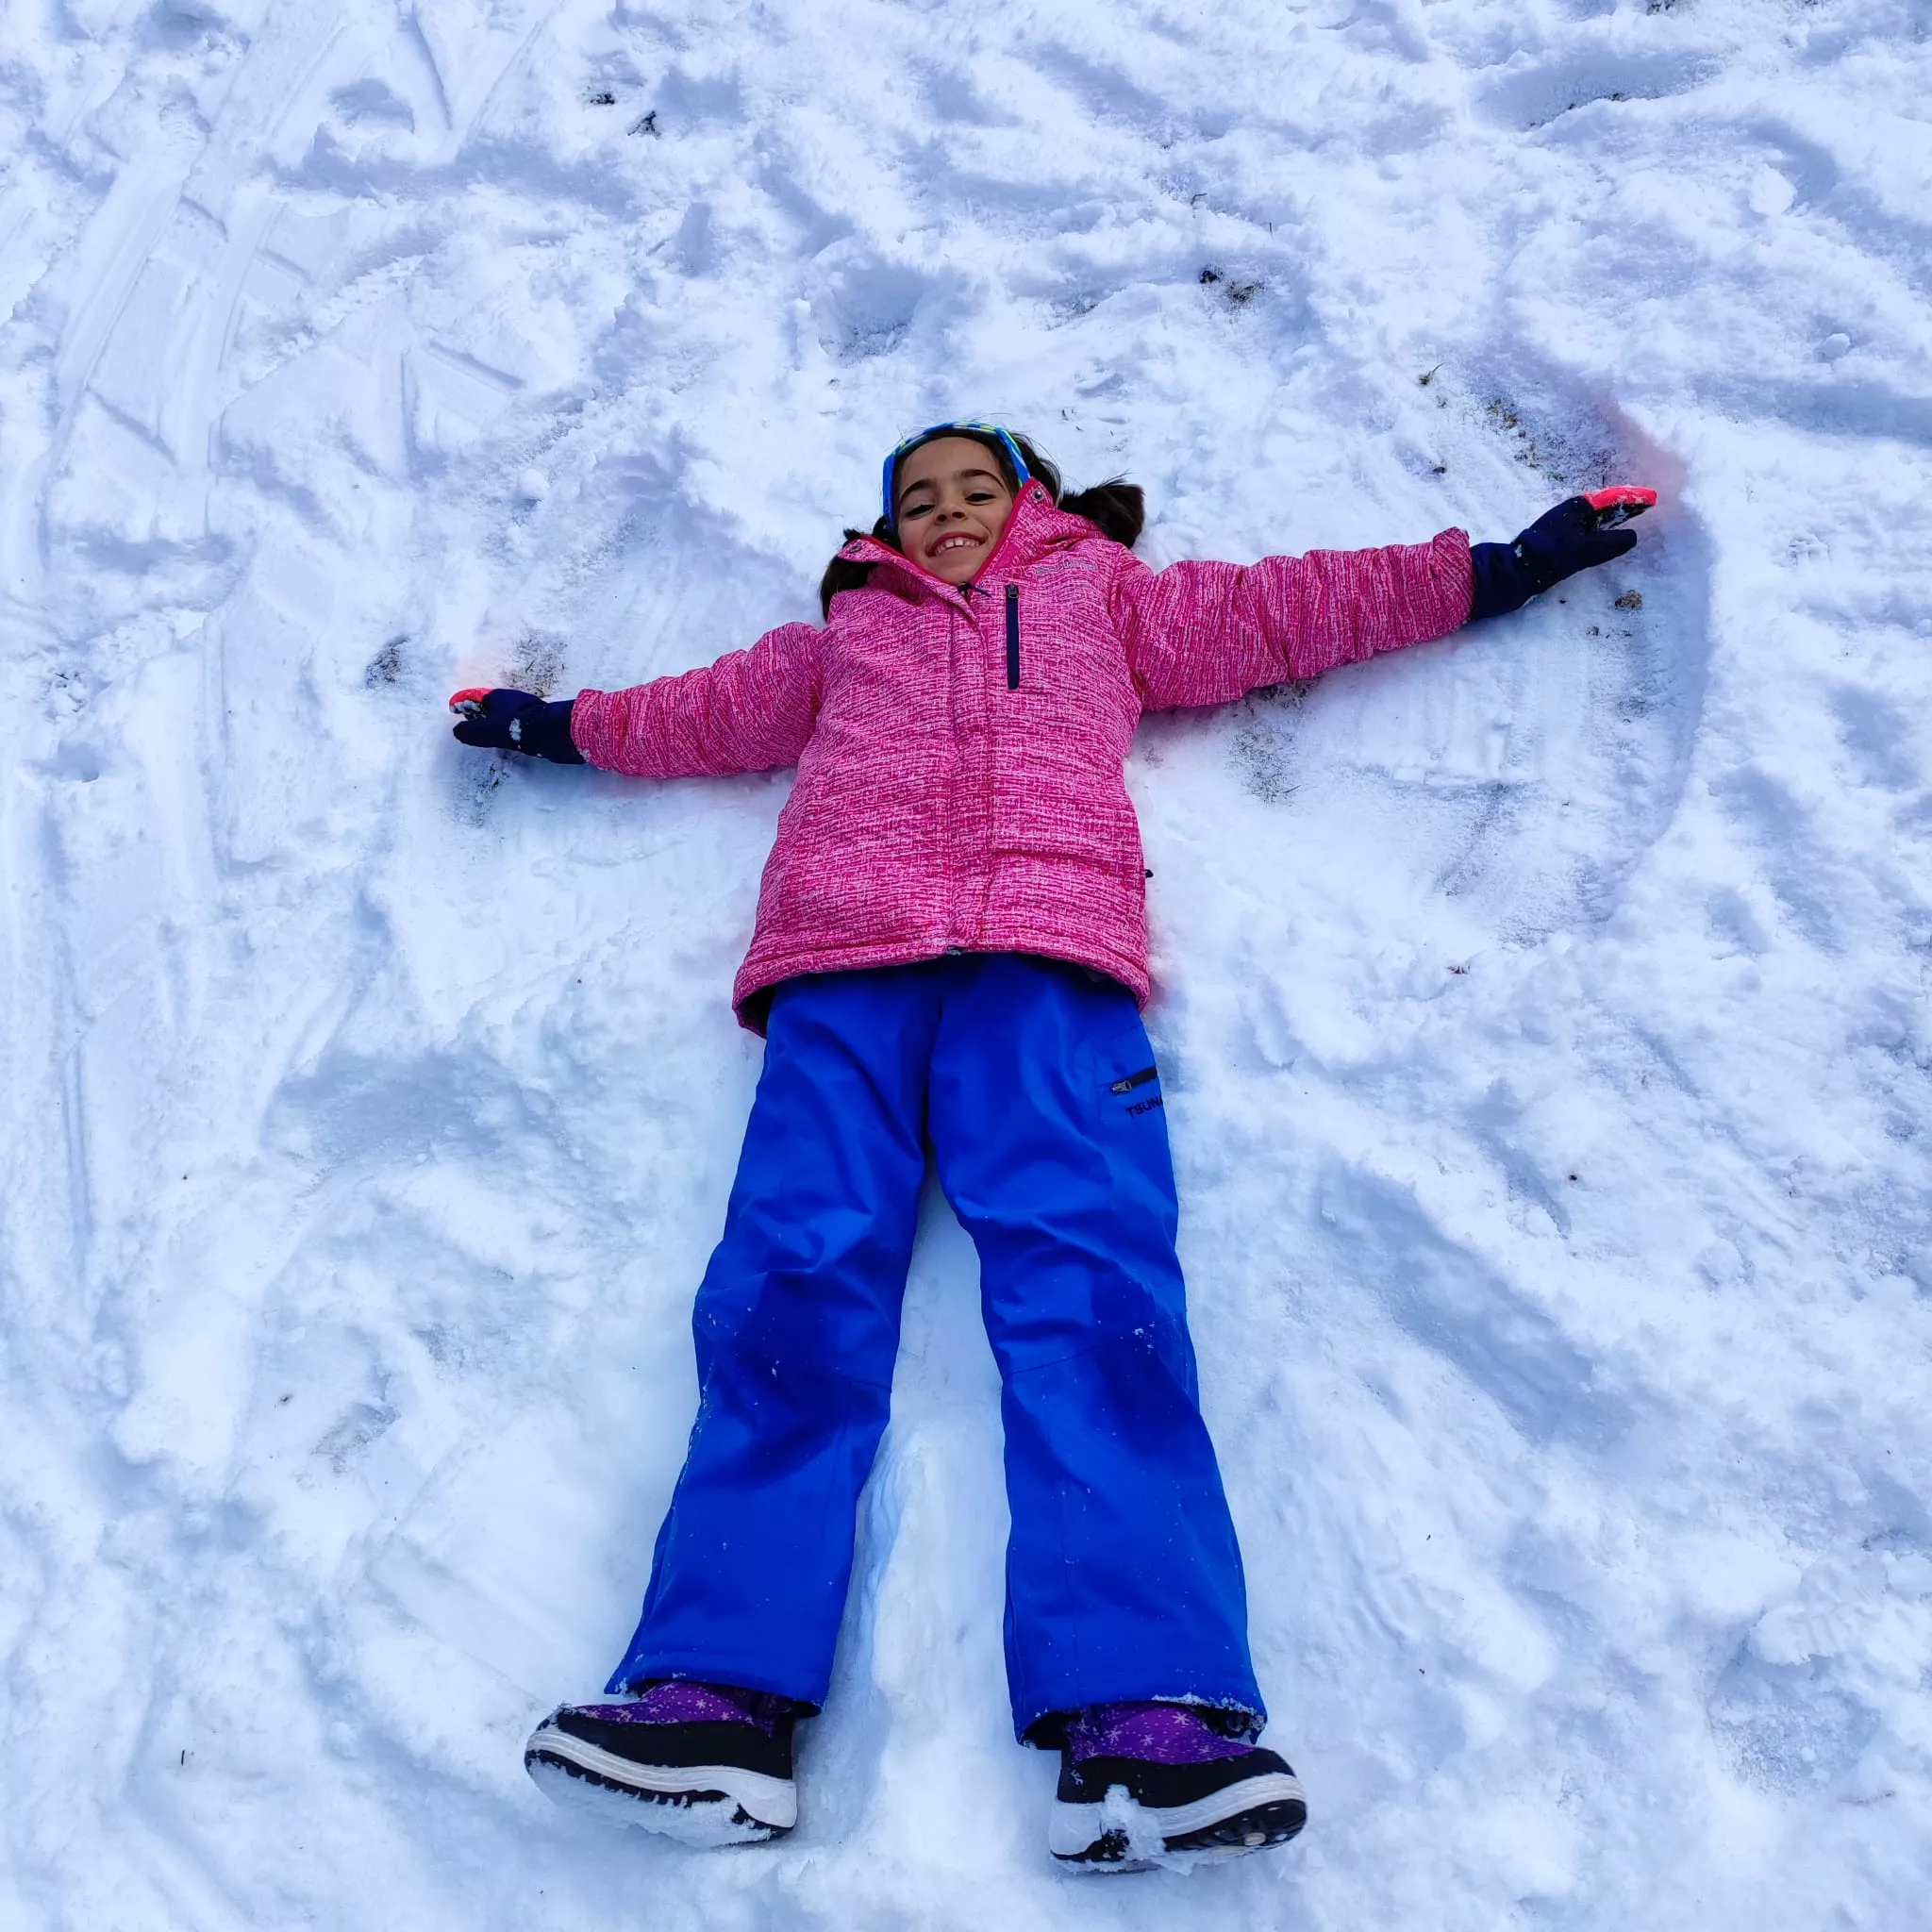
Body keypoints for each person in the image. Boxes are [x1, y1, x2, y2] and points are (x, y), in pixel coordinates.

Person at [450, 423, 1651, 1871]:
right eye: (918, 498)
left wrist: (1500, 567)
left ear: (1035, 505)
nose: (947, 515)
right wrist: (551, 724)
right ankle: (714, 1701)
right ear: (881, 528)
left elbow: (1296, 607)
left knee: (1092, 1296)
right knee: (790, 1284)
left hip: (1051, 968)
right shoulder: (838, 644)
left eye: (976, 490)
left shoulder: (1106, 603)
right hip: (842, 978)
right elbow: (692, 714)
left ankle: (1151, 1709)